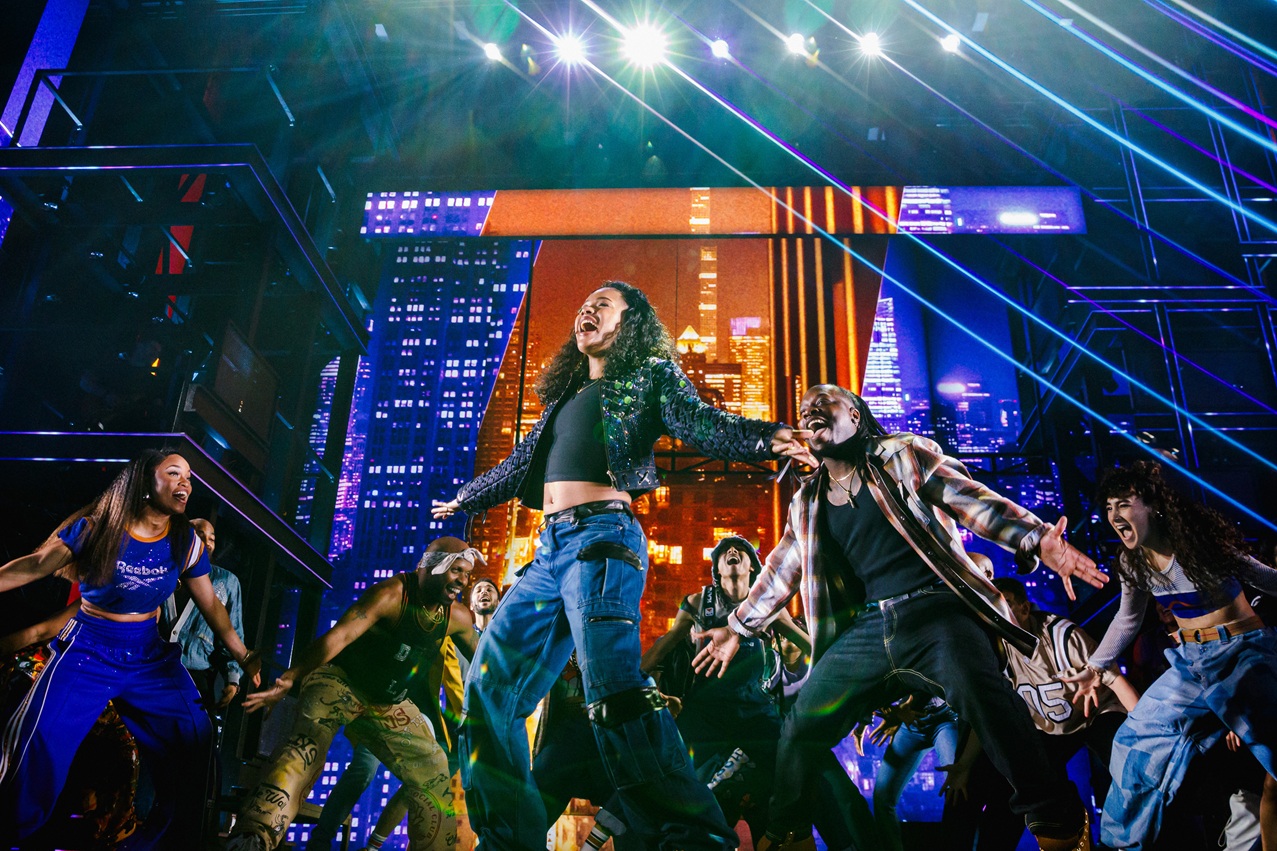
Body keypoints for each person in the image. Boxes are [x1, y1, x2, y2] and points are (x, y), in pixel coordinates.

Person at [432, 280, 810, 851]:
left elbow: (701, 422)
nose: (586, 308)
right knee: (488, 688)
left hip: (602, 541)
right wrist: (465, 497)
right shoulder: (564, 397)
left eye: (602, 304)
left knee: (614, 695)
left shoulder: (650, 375)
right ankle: (508, 841)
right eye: (584, 304)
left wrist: (770, 437)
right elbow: (516, 466)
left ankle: (696, 837)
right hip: (548, 552)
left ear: (629, 324)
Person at [692, 384, 1108, 851]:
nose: (809, 411)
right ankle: (789, 832)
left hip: (935, 611)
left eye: (822, 402)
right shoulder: (807, 500)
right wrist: (737, 626)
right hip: (869, 629)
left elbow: (971, 499)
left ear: (854, 414)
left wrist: (1034, 538)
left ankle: (1057, 820)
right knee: (802, 724)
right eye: (804, 409)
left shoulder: (902, 456)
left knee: (984, 694)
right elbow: (781, 568)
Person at [0, 448, 260, 848]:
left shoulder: (185, 541)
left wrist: (243, 655)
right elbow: (34, 565)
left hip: (147, 657)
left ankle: (162, 843)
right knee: (39, 742)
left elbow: (212, 605)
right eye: (173, 473)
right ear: (145, 481)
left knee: (195, 735)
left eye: (189, 477)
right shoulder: (98, 528)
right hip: (89, 649)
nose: (185, 482)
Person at [1064, 461, 1277, 849]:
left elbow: (1265, 578)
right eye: (1109, 507)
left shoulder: (1199, 545)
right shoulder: (1132, 563)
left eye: (1124, 504)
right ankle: (1121, 846)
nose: (1114, 515)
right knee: (1131, 743)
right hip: (1191, 665)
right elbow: (1128, 619)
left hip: (1242, 655)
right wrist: (1095, 667)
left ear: (1153, 507)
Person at [227, 538, 482, 851]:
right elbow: (341, 635)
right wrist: (292, 676)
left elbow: (487, 659)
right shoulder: (391, 595)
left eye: (467, 573)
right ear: (429, 567)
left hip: (387, 702)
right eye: (456, 570)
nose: (462, 580)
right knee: (306, 746)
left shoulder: (456, 617)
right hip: (341, 682)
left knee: (433, 767)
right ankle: (254, 836)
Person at [641, 535, 807, 844]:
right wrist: (633, 681)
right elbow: (666, 645)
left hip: (754, 710)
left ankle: (785, 833)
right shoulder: (697, 602)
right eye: (725, 551)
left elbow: (808, 644)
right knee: (671, 774)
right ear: (717, 568)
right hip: (705, 710)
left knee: (792, 768)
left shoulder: (767, 604)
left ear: (752, 567)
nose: (732, 551)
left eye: (740, 549)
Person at [163, 517, 247, 709]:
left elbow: (233, 630)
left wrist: (233, 679)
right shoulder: (164, 570)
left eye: (212, 539)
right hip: (151, 665)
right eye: (200, 536)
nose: (207, 543)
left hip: (195, 677)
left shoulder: (226, 581)